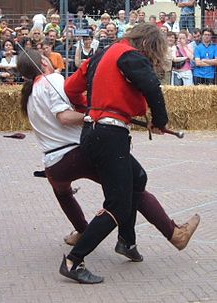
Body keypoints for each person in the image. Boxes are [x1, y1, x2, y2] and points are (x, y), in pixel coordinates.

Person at [17, 48, 200, 284]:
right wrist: (96, 115)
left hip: (53, 163)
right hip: (76, 153)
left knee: (65, 193)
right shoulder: (53, 79)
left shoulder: (29, 94)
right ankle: (170, 233)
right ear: (43, 62)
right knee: (131, 187)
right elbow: (63, 117)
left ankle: (98, 234)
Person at [63, 23, 200, 283]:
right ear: (147, 44)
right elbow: (152, 88)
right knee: (118, 204)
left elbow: (70, 88)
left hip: (92, 135)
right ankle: (73, 260)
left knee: (137, 178)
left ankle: (127, 241)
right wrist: (159, 121)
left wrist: (93, 109)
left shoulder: (100, 55)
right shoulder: (130, 55)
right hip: (110, 137)